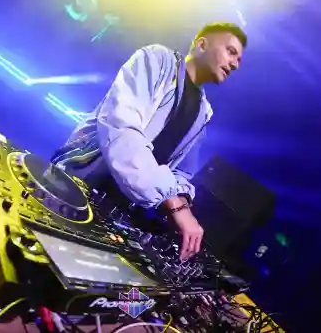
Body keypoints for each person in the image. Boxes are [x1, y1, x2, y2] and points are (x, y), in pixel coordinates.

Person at [51, 22, 246, 261]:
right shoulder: (156, 60)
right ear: (202, 45)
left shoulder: (203, 113)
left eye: (238, 59)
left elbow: (181, 174)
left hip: (114, 211)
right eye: (231, 52)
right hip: (75, 185)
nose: (235, 64)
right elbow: (122, 128)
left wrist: (182, 201)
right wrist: (175, 205)